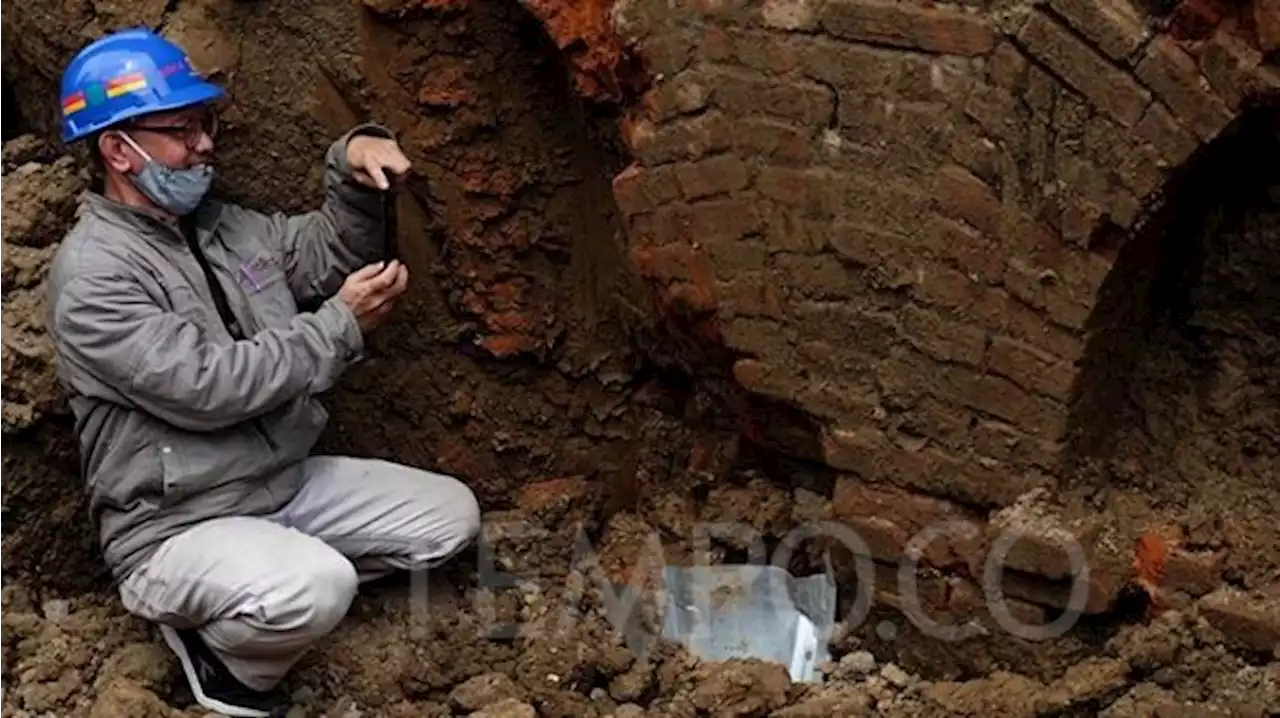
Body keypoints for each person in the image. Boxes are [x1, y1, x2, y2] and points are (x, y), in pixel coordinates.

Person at [45, 28, 481, 718]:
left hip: (276, 487)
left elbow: (324, 254)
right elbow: (208, 389)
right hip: (173, 528)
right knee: (316, 585)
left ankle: (272, 581)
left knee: (449, 519)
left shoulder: (227, 227)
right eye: (180, 130)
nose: (204, 145)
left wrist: (353, 162)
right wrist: (339, 326)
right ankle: (224, 663)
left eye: (205, 122)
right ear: (117, 150)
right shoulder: (94, 275)